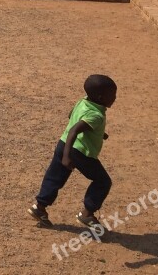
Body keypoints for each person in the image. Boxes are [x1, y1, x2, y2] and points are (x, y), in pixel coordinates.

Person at [28, 74, 117, 228]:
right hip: (79, 151)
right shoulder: (96, 115)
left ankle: (39, 207)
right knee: (103, 181)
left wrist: (97, 132)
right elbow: (75, 130)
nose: (115, 98)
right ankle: (87, 214)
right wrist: (67, 156)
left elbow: (72, 116)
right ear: (101, 97)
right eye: (112, 95)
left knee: (55, 177)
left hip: (63, 144)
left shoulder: (83, 101)